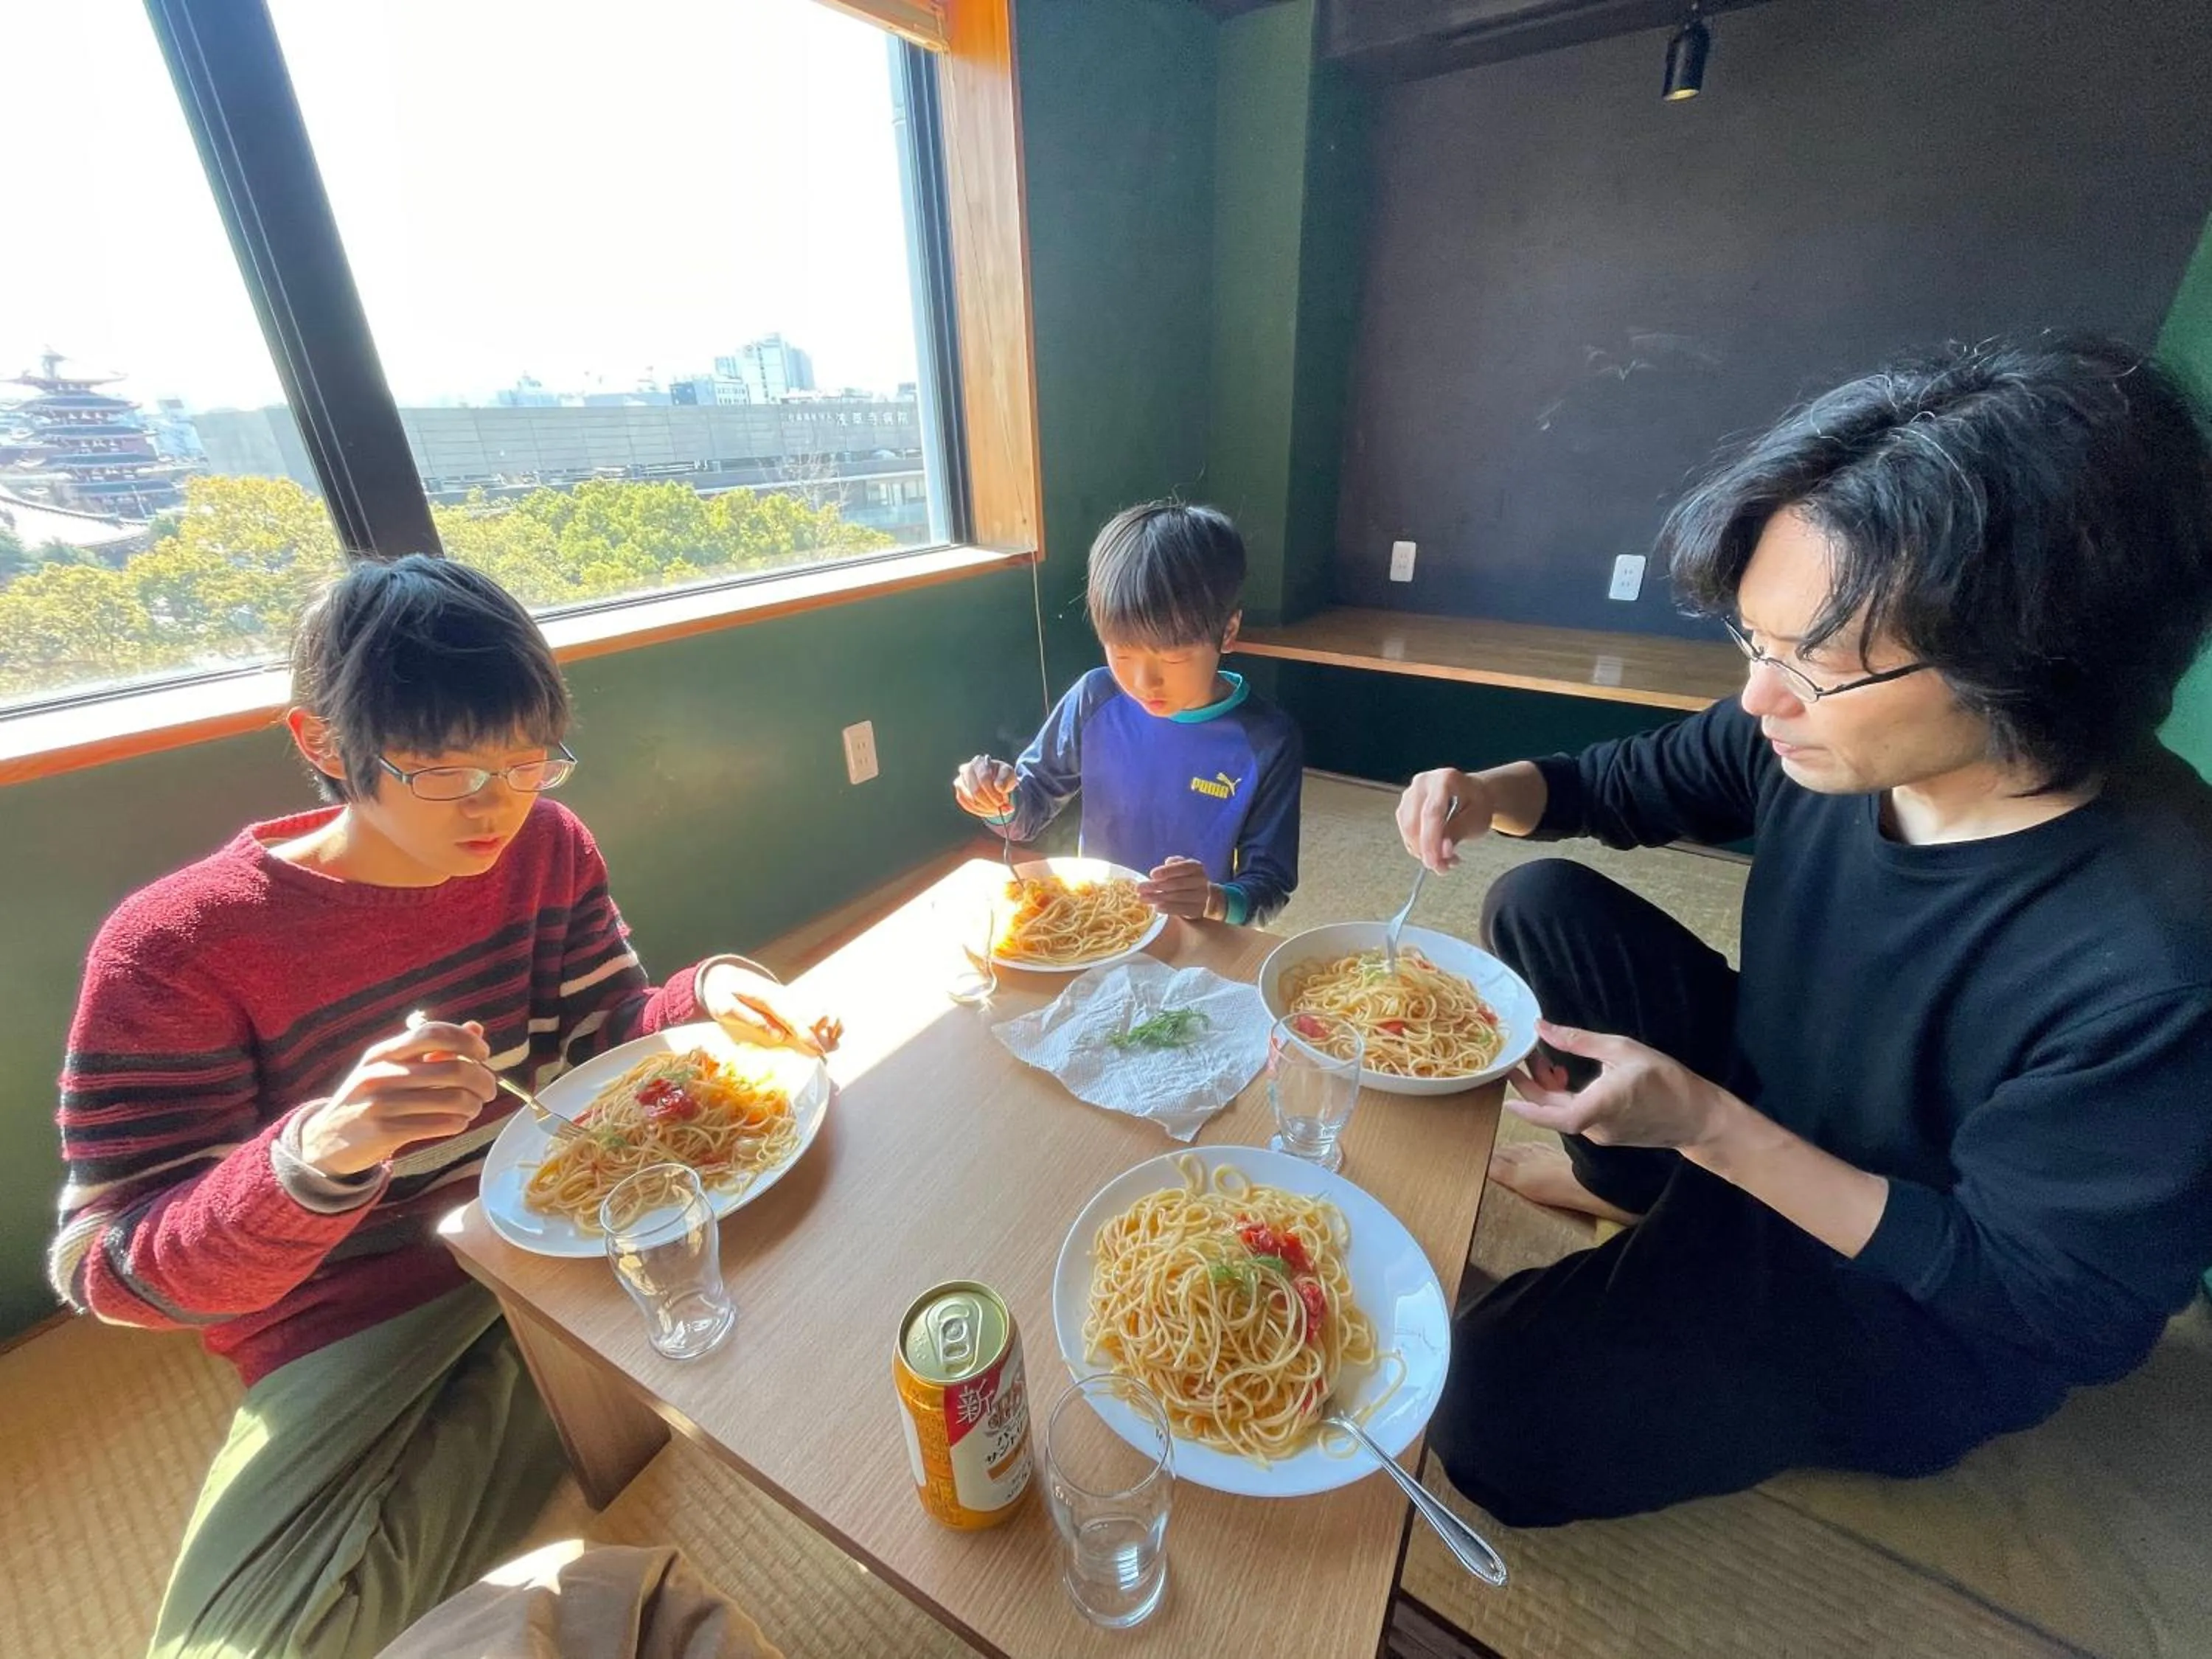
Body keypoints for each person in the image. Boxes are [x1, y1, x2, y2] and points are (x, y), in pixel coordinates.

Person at [1394, 336, 2212, 1527]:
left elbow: (2051, 1304)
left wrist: (1713, 1131)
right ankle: (1643, 1196)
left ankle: (1678, 1222)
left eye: (1815, 664)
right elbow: (1638, 778)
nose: (1763, 697)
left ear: (2027, 669)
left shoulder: (2157, 957)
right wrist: (1491, 789)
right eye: (1755, 646)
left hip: (1910, 1292)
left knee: (1477, 1408)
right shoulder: (1821, 741)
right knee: (1542, 906)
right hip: (1774, 1111)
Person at [49, 555, 835, 1658]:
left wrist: (705, 996)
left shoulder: (547, 847)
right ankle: (570, 1395)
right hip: (353, 1318)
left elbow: (601, 1035)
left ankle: (569, 1387)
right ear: (323, 745)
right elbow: (106, 1267)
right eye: (443, 772)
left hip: (558, 1244)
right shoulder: (178, 946)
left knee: (834, 1259)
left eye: (526, 764)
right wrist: (321, 1151)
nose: (496, 806)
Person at [953, 501, 1302, 925]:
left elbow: (1270, 883)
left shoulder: (1266, 740)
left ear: (1227, 632)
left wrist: (1212, 899)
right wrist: (993, 797)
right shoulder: (1095, 698)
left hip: (1195, 932)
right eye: (1122, 653)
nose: (1144, 682)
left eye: (1173, 659)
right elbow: (1026, 813)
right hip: (1098, 920)